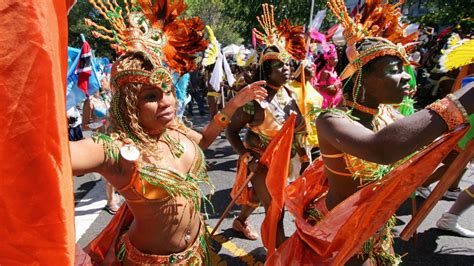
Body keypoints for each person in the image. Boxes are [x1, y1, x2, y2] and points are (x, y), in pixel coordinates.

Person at [267, 0, 474, 264]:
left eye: (404, 70)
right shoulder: (332, 121)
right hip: (335, 234)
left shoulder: (387, 118)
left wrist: (455, 150)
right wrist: (462, 101)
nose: (407, 78)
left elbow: (416, 170)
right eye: (394, 70)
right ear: (362, 78)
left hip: (373, 228)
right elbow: (381, 150)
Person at [74, 1, 267, 264]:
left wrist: (234, 104)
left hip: (197, 253)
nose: (167, 101)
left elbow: (205, 141)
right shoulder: (116, 150)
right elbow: (52, 158)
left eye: (168, 90)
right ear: (129, 104)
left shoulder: (175, 131)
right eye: (151, 96)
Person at [226, 4, 309, 246]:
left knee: (261, 197)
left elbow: (297, 129)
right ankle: (278, 253)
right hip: (260, 160)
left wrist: (304, 156)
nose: (287, 69)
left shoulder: (290, 94)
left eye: (288, 64)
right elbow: (231, 131)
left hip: (286, 160)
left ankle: (240, 221)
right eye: (280, 66)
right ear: (267, 70)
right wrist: (245, 157)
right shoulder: (254, 99)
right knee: (275, 205)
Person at [82, 77, 121, 214]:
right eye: (104, 79)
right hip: (101, 140)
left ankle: (114, 193)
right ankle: (110, 202)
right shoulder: (90, 102)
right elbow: (85, 127)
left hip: (115, 137)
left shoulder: (110, 96)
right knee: (110, 172)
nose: (107, 81)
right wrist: (100, 123)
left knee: (118, 169)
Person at [313, 43, 343, 108]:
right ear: (328, 60)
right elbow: (320, 89)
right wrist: (335, 86)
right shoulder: (325, 72)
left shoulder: (334, 70)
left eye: (336, 58)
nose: (336, 61)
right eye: (334, 58)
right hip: (327, 103)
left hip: (334, 101)